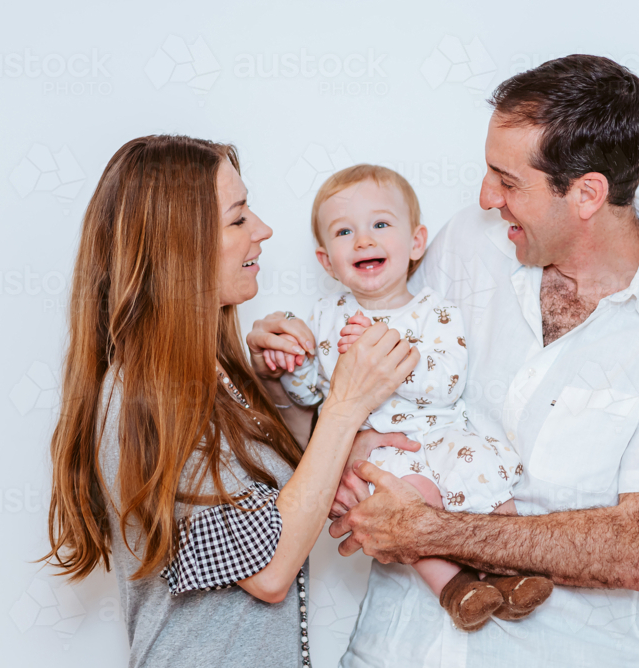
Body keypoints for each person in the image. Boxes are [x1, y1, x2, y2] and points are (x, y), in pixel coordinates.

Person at [328, 55, 639, 667]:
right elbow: (370, 351)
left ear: (587, 194)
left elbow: (637, 549)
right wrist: (291, 349)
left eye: (507, 181)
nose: (485, 196)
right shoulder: (468, 242)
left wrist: (428, 531)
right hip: (392, 651)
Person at [41, 134, 419, 668]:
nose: (263, 230)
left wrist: (279, 397)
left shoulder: (210, 375)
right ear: (182, 245)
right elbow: (267, 570)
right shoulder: (141, 398)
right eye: (239, 217)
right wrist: (346, 405)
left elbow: (272, 504)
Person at [266, 164, 553, 631]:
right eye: (344, 231)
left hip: (438, 437)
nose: (363, 240)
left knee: (489, 477)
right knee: (402, 511)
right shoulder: (324, 317)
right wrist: (293, 366)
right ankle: (456, 589)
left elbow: (446, 383)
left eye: (380, 225)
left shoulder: (433, 311)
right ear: (326, 261)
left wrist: (385, 350)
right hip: (381, 459)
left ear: (416, 242)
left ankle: (514, 572)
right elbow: (312, 396)